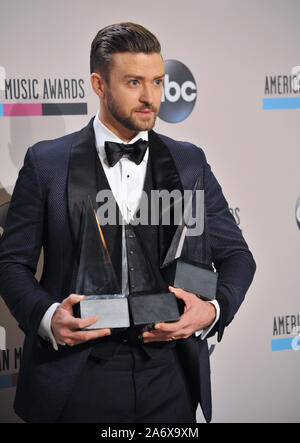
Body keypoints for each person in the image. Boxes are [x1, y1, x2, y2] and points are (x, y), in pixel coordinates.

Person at [0, 22, 256, 423]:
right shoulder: (47, 164)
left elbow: (238, 257)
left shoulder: (189, 163)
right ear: (99, 85)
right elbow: (11, 265)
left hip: (170, 378)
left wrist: (213, 309)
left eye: (156, 82)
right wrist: (49, 317)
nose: (149, 97)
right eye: (134, 82)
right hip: (78, 376)